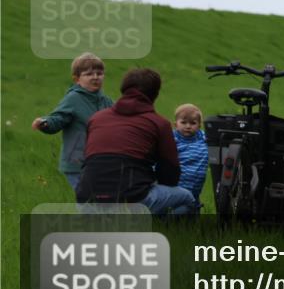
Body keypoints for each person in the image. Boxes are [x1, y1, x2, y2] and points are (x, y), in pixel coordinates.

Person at [76, 68, 195, 216]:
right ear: (155, 94)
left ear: (123, 90)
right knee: (187, 199)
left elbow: (87, 160)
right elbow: (170, 175)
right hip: (131, 201)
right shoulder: (159, 123)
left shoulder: (96, 118)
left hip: (86, 202)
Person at [32, 52, 113, 191]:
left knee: (101, 197)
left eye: (99, 73)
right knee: (88, 198)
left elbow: (121, 118)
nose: (95, 77)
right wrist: (45, 123)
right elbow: (58, 118)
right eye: (89, 74)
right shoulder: (73, 99)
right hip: (76, 163)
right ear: (77, 79)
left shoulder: (106, 101)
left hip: (100, 162)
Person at [174, 103, 209, 210]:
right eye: (183, 122)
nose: (188, 126)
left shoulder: (203, 138)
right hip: (178, 185)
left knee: (194, 207)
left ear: (199, 125)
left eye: (193, 123)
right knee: (180, 209)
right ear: (176, 124)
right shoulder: (172, 139)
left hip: (197, 186)